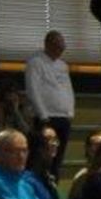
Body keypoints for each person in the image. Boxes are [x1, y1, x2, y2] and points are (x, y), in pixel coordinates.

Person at [26, 31, 75, 178]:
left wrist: (70, 111)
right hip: (46, 118)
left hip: (63, 117)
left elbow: (68, 89)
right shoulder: (35, 62)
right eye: (58, 46)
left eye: (62, 46)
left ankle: (53, 183)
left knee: (57, 158)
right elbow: (32, 89)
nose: (61, 49)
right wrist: (43, 115)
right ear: (48, 44)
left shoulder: (63, 65)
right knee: (41, 157)